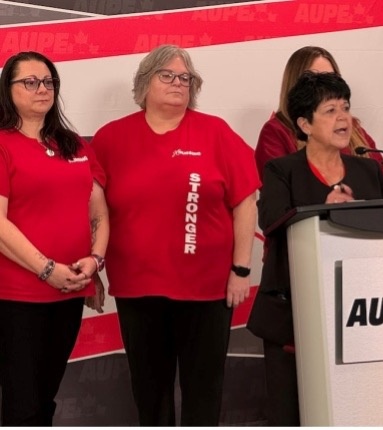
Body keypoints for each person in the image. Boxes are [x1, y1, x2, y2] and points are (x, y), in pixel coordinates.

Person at [90, 44, 260, 426]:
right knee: (151, 397)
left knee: (204, 394)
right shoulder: (111, 138)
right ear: (144, 83)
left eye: (186, 78)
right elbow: (93, 211)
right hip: (138, 289)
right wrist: (92, 270)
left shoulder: (215, 132)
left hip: (207, 291)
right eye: (167, 75)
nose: (178, 83)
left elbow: (246, 201)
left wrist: (241, 269)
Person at [247, 71, 383, 426]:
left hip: (357, 315)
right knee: (290, 414)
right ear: (305, 124)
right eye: (330, 110)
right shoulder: (281, 170)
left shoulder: (368, 169)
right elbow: (271, 221)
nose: (343, 118)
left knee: (351, 412)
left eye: (345, 107)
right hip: (292, 314)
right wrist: (322, 208)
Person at [0, 51, 109, 426]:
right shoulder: (3, 144)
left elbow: (99, 213)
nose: (42, 89)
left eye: (48, 81)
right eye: (30, 82)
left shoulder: (75, 145)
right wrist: (47, 270)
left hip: (70, 290)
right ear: (8, 89)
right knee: (22, 405)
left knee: (45, 398)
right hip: (16, 297)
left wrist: (95, 262)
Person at [255, 46, 383, 178]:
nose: (325, 85)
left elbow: (379, 174)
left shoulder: (352, 126)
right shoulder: (275, 131)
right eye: (315, 78)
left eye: (331, 77)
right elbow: (278, 183)